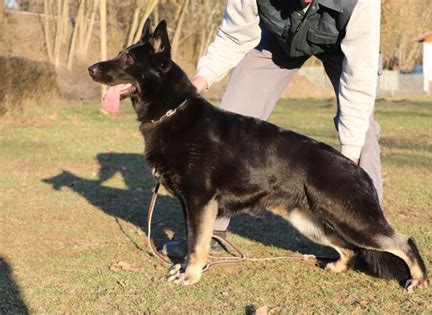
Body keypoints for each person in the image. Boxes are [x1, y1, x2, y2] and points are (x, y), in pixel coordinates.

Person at [108, 0, 383, 250]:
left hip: (344, 47)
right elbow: (233, 35)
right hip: (276, 40)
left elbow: (359, 80)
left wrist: (348, 160)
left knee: (363, 133)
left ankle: (368, 235)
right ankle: (210, 231)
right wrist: (201, 79)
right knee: (231, 116)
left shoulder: (360, 5)